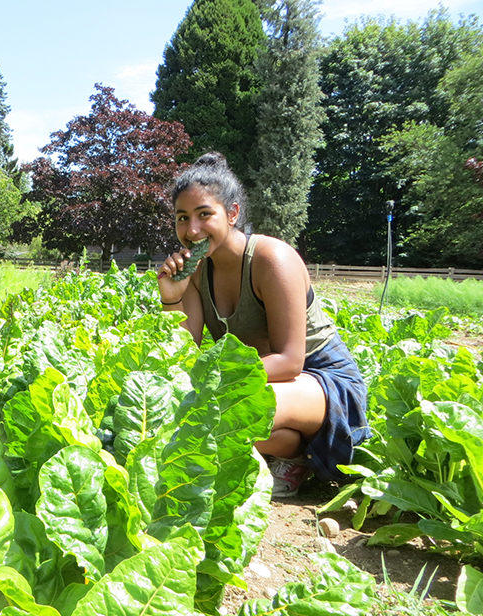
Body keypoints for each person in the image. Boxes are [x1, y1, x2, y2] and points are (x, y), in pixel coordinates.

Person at [156, 152, 370, 498]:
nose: (192, 230)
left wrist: (213, 381)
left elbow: (289, 361)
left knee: (226, 413)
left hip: (321, 380)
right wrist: (172, 297)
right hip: (261, 381)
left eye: (204, 214)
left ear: (233, 214)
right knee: (188, 411)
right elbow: (181, 354)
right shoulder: (195, 273)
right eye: (182, 218)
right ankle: (295, 453)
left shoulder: (272, 259)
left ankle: (304, 449)